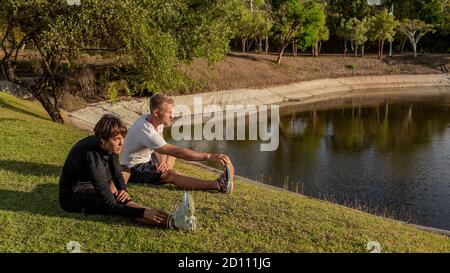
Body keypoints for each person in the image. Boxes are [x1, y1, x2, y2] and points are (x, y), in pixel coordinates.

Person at [59, 114, 196, 231]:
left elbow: (117, 172)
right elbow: (110, 204)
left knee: (123, 181)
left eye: (123, 138)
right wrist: (143, 212)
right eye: (117, 139)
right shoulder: (91, 156)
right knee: (119, 203)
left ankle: (175, 219)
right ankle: (175, 222)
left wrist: (123, 189)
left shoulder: (108, 146)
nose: (122, 143)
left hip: (95, 184)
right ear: (102, 139)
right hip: (74, 196)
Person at [120, 93, 235, 193]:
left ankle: (163, 173)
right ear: (156, 112)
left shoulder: (155, 121)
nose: (172, 116)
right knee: (172, 173)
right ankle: (218, 185)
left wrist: (162, 162)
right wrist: (210, 156)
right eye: (169, 112)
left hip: (148, 161)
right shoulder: (146, 129)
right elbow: (178, 153)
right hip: (134, 169)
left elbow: (161, 145)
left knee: (170, 155)